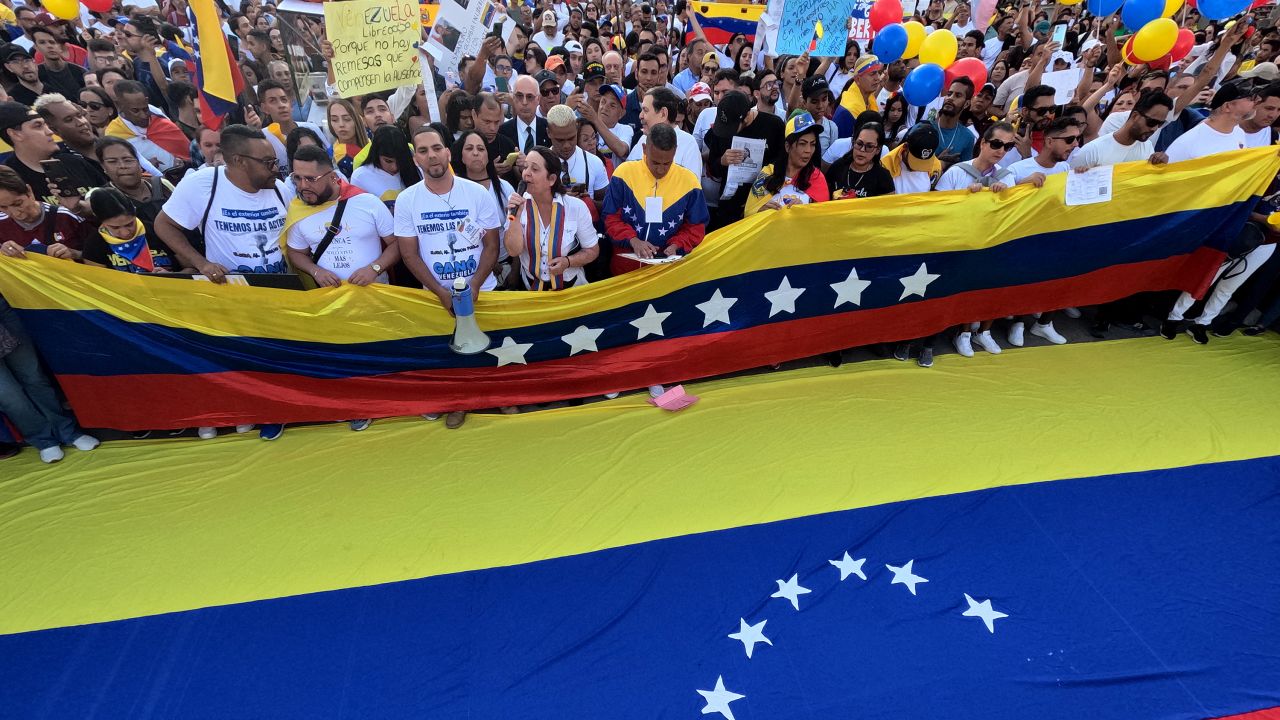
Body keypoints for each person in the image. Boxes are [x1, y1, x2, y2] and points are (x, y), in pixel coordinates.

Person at [154, 124, 292, 440]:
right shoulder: (201, 185)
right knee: (244, 359)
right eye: (267, 162)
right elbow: (164, 225)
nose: (275, 168)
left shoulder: (280, 189)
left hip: (280, 292)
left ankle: (281, 411)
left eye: (275, 161)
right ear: (239, 161)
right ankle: (255, 411)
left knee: (278, 356)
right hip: (232, 295)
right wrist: (200, 263)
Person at [282, 145, 398, 431]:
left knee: (383, 351)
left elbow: (397, 244)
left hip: (375, 297)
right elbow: (296, 253)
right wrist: (316, 270)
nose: (302, 186)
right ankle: (359, 405)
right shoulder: (298, 211)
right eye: (297, 178)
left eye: (311, 179)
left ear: (332, 177)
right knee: (345, 356)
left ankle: (398, 399)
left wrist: (374, 269)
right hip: (330, 302)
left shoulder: (367, 203)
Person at [393, 124, 501, 430]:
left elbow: (492, 244)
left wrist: (476, 284)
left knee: (491, 350)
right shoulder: (407, 200)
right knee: (450, 355)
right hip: (436, 294)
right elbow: (409, 254)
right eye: (423, 151)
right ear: (416, 159)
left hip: (484, 289)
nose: (432, 156)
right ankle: (459, 403)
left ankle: (502, 397)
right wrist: (440, 291)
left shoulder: (477, 193)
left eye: (437, 148)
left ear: (448, 152)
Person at [1161, 80, 1270, 345]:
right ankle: (1170, 315)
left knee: (1215, 270)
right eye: (1249, 98)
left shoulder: (1239, 135)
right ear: (1228, 105)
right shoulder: (1192, 140)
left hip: (1224, 218)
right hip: (1193, 219)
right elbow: (1167, 184)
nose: (1254, 102)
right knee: (1191, 269)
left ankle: (1194, 320)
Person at [0, 187, 100, 462]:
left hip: (6, 310)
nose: (14, 212)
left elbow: (97, 254)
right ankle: (42, 439)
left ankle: (68, 432)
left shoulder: (64, 218)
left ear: (29, 192)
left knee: (33, 376)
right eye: (6, 208)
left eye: (16, 203)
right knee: (7, 395)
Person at [603, 123, 708, 275]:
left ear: (675, 152)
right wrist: (633, 240)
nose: (660, 170)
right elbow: (609, 218)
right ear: (644, 149)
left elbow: (696, 227)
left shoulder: (689, 182)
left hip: (665, 273)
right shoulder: (624, 174)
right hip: (625, 271)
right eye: (655, 162)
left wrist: (677, 245)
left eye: (667, 163)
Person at [503, 146, 599, 290]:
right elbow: (513, 251)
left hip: (570, 289)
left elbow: (592, 250)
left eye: (534, 169)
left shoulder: (575, 207)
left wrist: (568, 261)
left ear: (552, 179)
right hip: (531, 290)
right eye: (525, 167)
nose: (526, 174)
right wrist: (514, 218)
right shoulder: (516, 203)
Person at [0, 102, 107, 207]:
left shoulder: (74, 161)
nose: (49, 131)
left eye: (46, 125)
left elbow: (113, 201)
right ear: (15, 134)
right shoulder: (8, 180)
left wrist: (82, 208)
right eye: (38, 126)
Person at [704, 90, 785, 227]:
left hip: (762, 204)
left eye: (732, 128)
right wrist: (722, 161)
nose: (727, 132)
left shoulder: (774, 126)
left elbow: (783, 164)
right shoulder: (719, 131)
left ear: (747, 116)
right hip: (729, 206)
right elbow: (712, 168)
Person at [451, 129, 517, 286]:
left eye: (481, 149)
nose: (475, 153)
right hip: (471, 273)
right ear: (461, 156)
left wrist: (515, 270)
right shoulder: (453, 192)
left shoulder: (504, 188)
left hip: (507, 267)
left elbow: (518, 227)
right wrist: (491, 264)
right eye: (469, 148)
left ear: (488, 155)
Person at [80, 186, 184, 274]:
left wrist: (172, 276)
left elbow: (192, 269)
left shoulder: (159, 231)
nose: (125, 233)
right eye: (115, 227)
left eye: (130, 224)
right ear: (100, 220)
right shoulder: (94, 244)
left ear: (134, 211)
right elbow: (101, 284)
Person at [743, 112, 829, 216]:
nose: (808, 150)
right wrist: (759, 211)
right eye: (802, 144)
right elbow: (748, 213)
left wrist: (805, 210)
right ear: (787, 147)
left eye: (813, 144)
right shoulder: (768, 173)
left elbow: (823, 219)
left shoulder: (817, 178)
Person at [107, 80, 191, 173]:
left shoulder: (156, 113)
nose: (143, 115)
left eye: (145, 109)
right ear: (119, 105)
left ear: (146, 100)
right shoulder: (113, 135)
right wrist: (145, 168)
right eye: (135, 111)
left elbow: (182, 146)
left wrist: (184, 162)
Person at [625, 86, 703, 177]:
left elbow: (691, 188)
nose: (640, 116)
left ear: (663, 113)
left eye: (645, 110)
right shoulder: (643, 138)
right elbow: (627, 178)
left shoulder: (688, 143)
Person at [95, 136, 174, 225]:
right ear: (103, 167)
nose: (122, 166)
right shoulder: (106, 198)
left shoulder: (162, 184)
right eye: (112, 162)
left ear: (139, 162)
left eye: (128, 160)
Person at [546, 104, 608, 205]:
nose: (566, 145)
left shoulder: (594, 162)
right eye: (560, 140)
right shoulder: (539, 165)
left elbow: (607, 206)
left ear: (576, 128)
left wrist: (588, 202)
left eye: (571, 138)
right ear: (548, 133)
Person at [351, 125, 419, 210]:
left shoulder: (416, 168)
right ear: (376, 153)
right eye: (388, 161)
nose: (395, 167)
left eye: (400, 160)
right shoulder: (360, 177)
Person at [827, 122, 896, 200]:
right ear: (853, 142)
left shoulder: (883, 177)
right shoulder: (837, 167)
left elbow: (887, 208)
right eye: (859, 144)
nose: (862, 150)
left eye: (869, 146)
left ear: (878, 150)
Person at [929, 78, 978, 165]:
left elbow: (963, 173)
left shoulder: (968, 137)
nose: (950, 98)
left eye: (958, 95)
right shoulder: (924, 128)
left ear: (966, 104)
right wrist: (938, 163)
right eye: (949, 94)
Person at [883, 122, 941, 195]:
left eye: (924, 162)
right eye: (916, 161)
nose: (918, 167)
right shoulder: (886, 165)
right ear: (906, 147)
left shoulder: (935, 166)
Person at [833, 55, 883, 138]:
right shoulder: (847, 111)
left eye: (878, 72)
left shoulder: (869, 99)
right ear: (858, 79)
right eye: (872, 74)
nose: (877, 78)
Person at [31, 24, 85, 98]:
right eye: (42, 42)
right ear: (36, 47)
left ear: (59, 46)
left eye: (52, 42)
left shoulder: (79, 71)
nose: (49, 46)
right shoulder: (37, 76)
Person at [500, 75, 551, 153]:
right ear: (513, 98)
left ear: (538, 99)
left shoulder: (549, 129)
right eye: (519, 96)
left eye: (530, 97)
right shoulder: (502, 132)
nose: (524, 102)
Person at [326, 97, 368, 178]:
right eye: (334, 120)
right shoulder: (339, 156)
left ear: (358, 120)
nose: (341, 124)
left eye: (347, 119)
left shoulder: (370, 133)